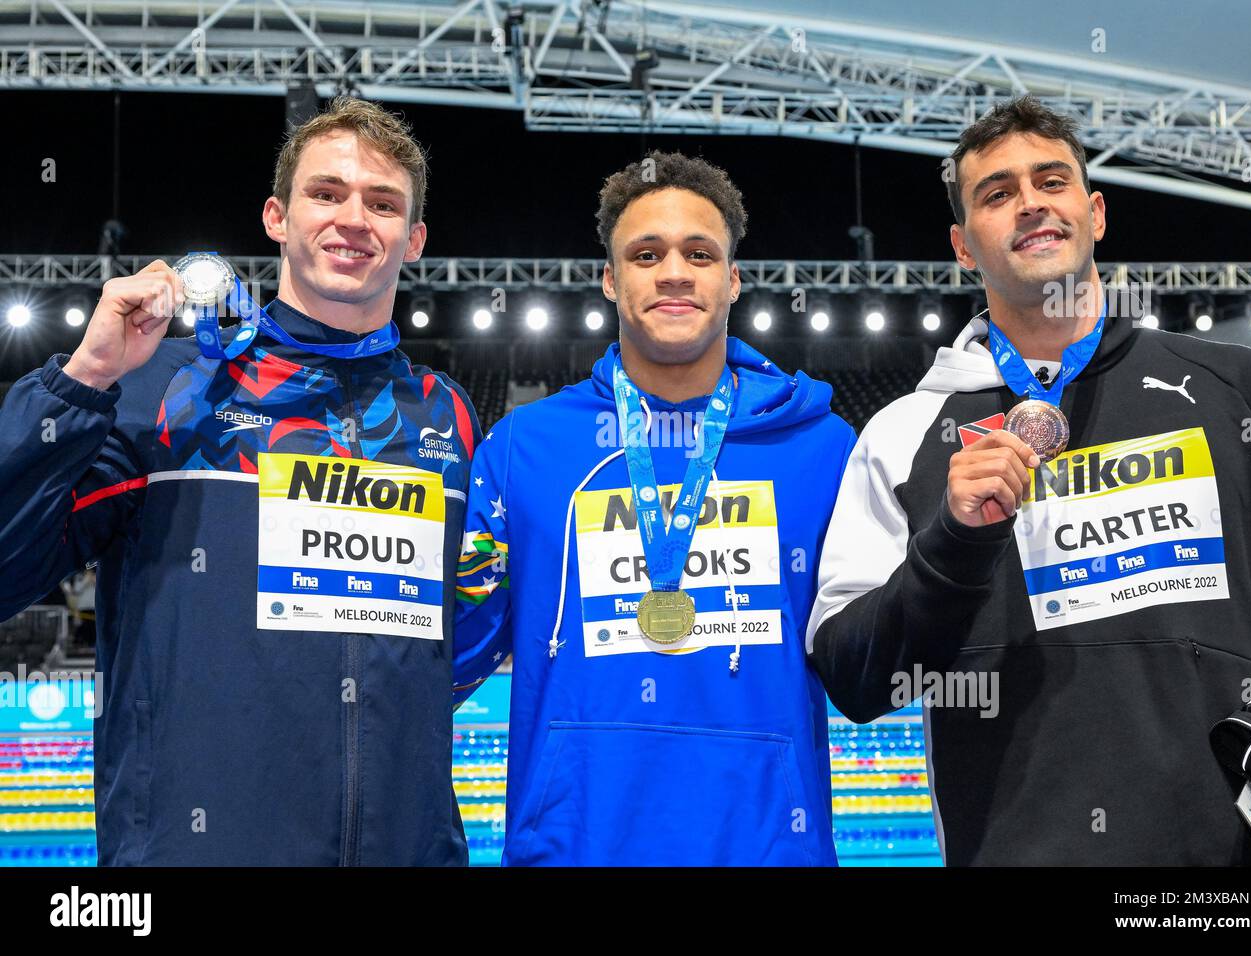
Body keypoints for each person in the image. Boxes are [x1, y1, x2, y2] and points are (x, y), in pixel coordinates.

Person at [807, 95, 1251, 865]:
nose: (1030, 203)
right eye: (996, 194)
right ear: (963, 246)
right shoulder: (902, 435)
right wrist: (951, 544)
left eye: (1052, 181)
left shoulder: (1241, 390)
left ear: (1095, 213)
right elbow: (855, 680)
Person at [0, 96, 480, 865]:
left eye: (382, 203)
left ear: (414, 238)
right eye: (326, 193)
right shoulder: (168, 390)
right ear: (276, 217)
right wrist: (84, 378)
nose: (354, 219)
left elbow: (470, 625)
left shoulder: (444, 417)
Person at [452, 151, 856, 865]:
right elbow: (445, 652)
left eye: (699, 253)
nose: (674, 271)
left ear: (732, 279)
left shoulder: (821, 449)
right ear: (611, 280)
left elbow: (872, 655)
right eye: (646, 253)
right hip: (575, 849)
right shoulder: (523, 450)